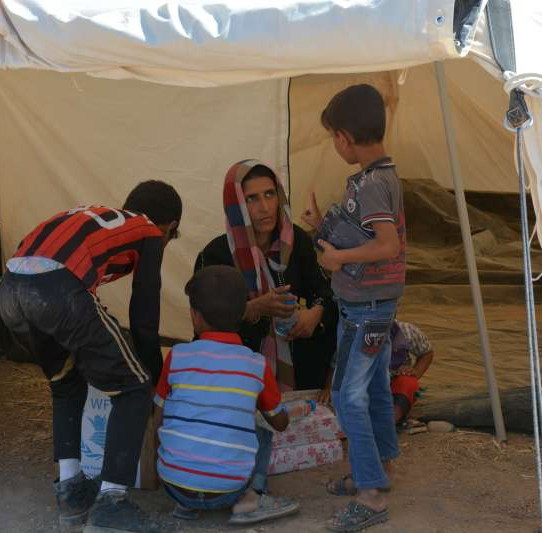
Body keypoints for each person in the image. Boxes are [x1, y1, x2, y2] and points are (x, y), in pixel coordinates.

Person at [0, 180, 181, 533]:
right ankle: (112, 505)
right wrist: (150, 375)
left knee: (65, 382)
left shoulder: (95, 214)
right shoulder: (149, 231)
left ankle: (71, 488)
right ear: (169, 226)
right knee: (134, 388)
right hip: (55, 289)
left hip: (10, 288)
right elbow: (145, 312)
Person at [302, 84, 407, 532]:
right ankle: (379, 468)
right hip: (376, 308)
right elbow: (373, 236)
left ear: (345, 137)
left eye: (333, 138)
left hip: (366, 311)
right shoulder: (385, 175)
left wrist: (338, 258)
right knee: (378, 389)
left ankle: (370, 494)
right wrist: (323, 231)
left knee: (348, 395)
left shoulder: (371, 186)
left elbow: (387, 244)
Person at [153, 265, 300, 525]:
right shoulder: (256, 364)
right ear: (243, 312)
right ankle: (251, 498)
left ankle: (185, 506)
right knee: (261, 432)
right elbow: (280, 423)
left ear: (195, 316)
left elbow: (158, 417)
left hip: (173, 486)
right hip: (227, 492)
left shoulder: (176, 356)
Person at [195, 160, 337, 392]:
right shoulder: (216, 255)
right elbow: (203, 323)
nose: (265, 207)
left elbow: (323, 289)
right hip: (238, 367)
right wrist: (253, 308)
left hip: (299, 362)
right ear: (236, 205)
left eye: (270, 194)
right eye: (252, 198)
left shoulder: (296, 240)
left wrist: (315, 314)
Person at [320, 319, 435, 424]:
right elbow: (338, 365)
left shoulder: (407, 331)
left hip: (395, 386)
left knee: (408, 382)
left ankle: (391, 419)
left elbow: (426, 352)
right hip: (366, 384)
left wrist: (415, 371)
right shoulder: (353, 336)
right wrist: (329, 388)